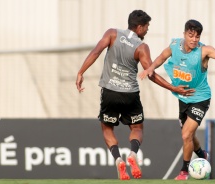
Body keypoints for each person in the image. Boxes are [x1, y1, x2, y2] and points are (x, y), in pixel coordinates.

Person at [76, 10, 195, 180]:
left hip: (109, 92)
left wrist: (81, 72)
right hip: (130, 94)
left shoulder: (112, 33)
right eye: (146, 27)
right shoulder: (141, 47)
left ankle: (117, 159)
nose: (147, 30)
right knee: (137, 128)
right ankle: (132, 154)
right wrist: (173, 88)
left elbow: (96, 52)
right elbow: (151, 74)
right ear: (139, 27)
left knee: (107, 127)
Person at [139, 19, 215, 180]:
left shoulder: (203, 51)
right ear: (184, 34)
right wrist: (150, 68)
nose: (194, 39)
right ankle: (202, 154)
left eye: (197, 36)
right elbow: (161, 57)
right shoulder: (175, 45)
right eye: (191, 35)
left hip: (200, 98)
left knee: (186, 135)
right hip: (183, 98)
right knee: (190, 135)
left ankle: (184, 172)